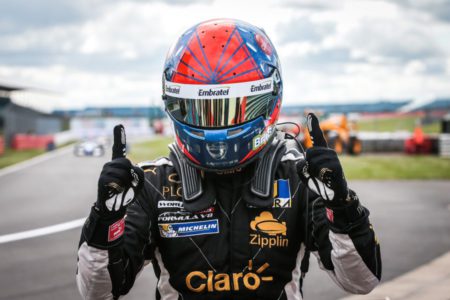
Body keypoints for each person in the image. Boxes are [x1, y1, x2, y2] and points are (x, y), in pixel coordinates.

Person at [76, 19, 381, 300]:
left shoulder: (298, 177)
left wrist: (342, 207)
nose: (215, 128)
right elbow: (98, 291)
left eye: (231, 109)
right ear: (175, 104)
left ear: (268, 101)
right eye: (200, 110)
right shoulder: (152, 183)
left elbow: (361, 281)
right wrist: (105, 220)